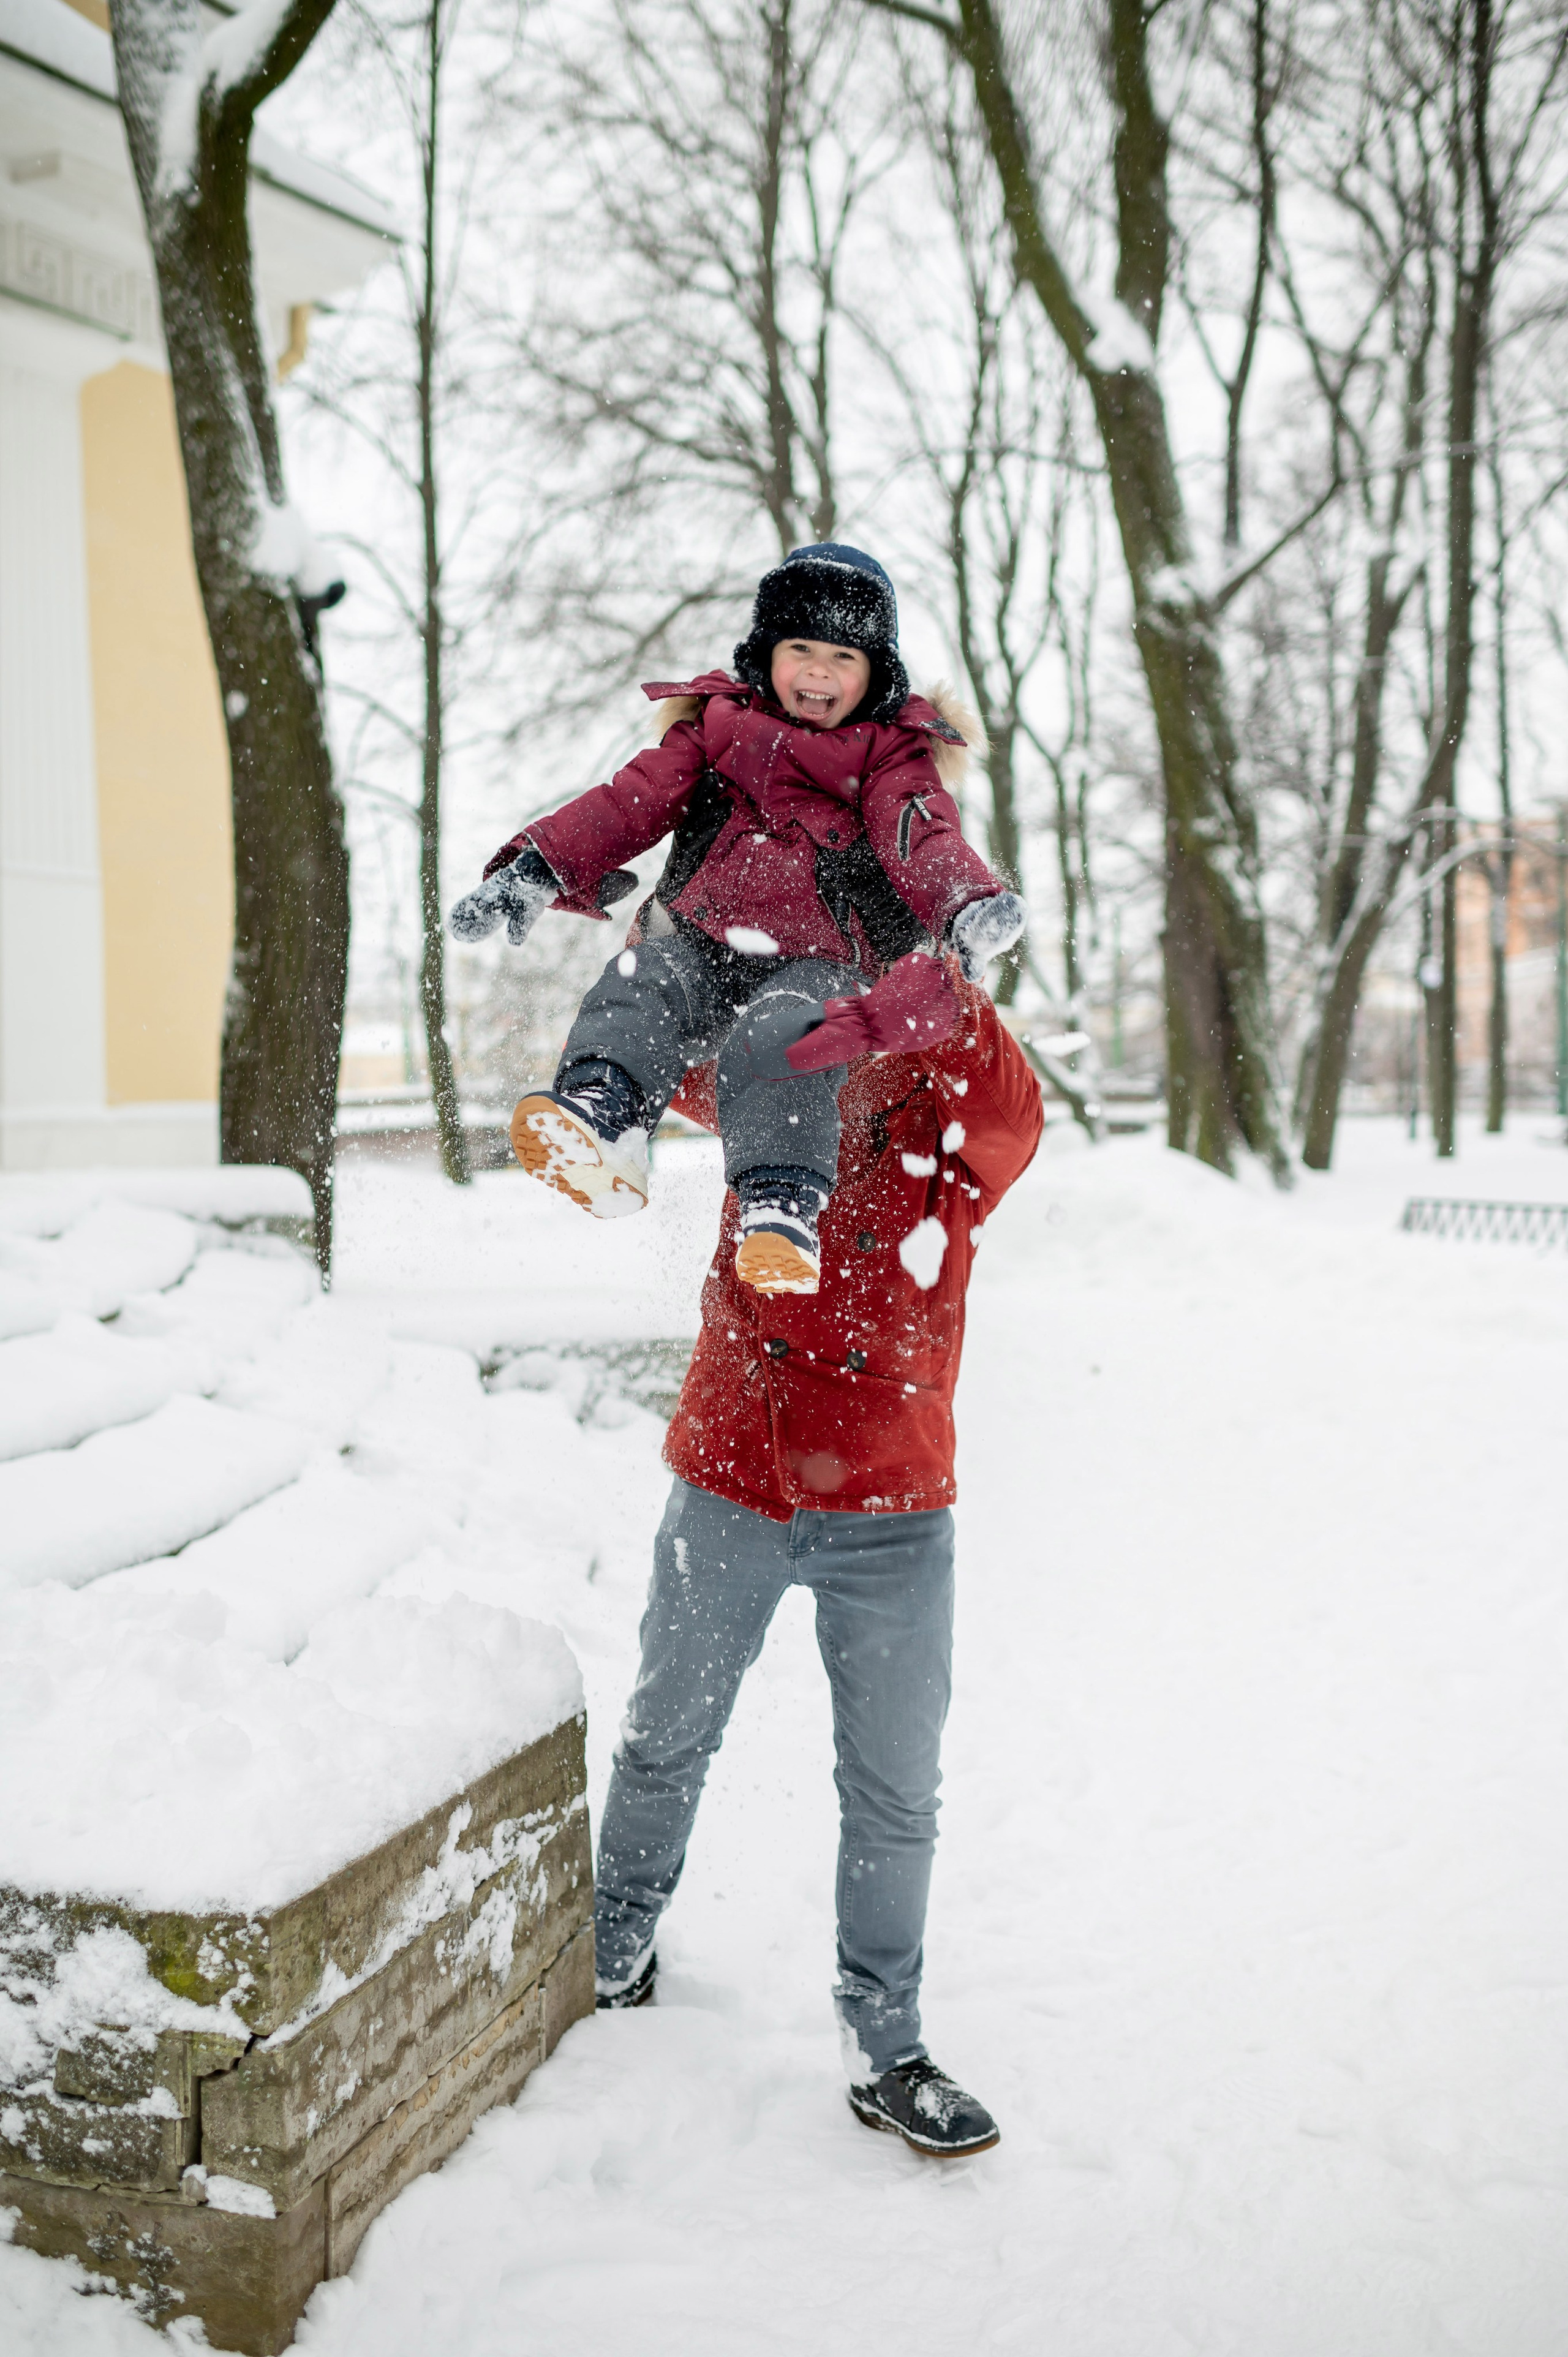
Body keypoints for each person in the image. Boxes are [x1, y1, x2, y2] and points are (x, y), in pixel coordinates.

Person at [591, 961, 1043, 2160]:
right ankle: (609, 1959)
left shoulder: (955, 1117)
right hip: (732, 1474)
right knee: (664, 1734)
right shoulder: (770, 1058)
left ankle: (883, 2044)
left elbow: (1013, 1113)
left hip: (892, 1508)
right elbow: (668, 1048)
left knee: (893, 1788)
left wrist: (941, 995)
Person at [448, 542, 1026, 1295]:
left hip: (820, 959)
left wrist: (968, 902)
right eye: (801, 649)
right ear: (768, 653)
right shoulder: (715, 728)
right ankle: (605, 1111)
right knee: (637, 978)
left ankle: (781, 1200)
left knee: (785, 1033)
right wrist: (540, 866)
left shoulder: (890, 758)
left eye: (843, 656)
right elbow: (630, 801)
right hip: (699, 943)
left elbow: (922, 834)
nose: (819, 672)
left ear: (876, 673)